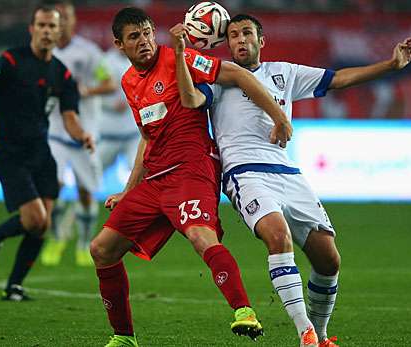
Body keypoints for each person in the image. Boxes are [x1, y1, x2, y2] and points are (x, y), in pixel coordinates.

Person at [174, 14, 411, 347]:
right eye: (233, 35)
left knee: (328, 259)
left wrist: (391, 65)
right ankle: (304, 331)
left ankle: (320, 337)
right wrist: (178, 52)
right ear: (226, 42)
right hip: (244, 173)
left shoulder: (285, 73)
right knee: (278, 235)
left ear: (261, 41)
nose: (240, 40)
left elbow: (339, 79)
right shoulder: (220, 78)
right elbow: (190, 99)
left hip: (288, 173)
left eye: (247, 33)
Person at [88, 7, 294, 347]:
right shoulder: (128, 81)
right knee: (102, 250)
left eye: (147, 33)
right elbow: (147, 136)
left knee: (201, 236)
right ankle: (124, 338)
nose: (145, 42)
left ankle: (243, 311)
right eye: (134, 37)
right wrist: (129, 190)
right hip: (156, 179)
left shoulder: (179, 58)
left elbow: (239, 76)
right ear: (119, 45)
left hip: (191, 169)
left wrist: (278, 117)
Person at [0, 4, 94, 301]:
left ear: (59, 31)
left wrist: (81, 135)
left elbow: (69, 116)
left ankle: (14, 286)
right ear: (32, 29)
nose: (47, 31)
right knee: (36, 219)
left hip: (41, 151)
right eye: (42, 26)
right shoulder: (10, 60)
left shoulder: (61, 74)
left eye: (52, 26)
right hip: (10, 152)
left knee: (42, 226)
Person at [41, 1, 115, 267]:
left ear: (73, 21)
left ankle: (83, 243)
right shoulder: (44, 53)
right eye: (58, 17)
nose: (63, 22)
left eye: (67, 17)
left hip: (85, 131)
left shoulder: (89, 53)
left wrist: (86, 91)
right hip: (54, 131)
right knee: (53, 186)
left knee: (85, 191)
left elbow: (108, 84)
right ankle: (57, 237)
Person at [97, 44, 139, 194]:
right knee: (92, 174)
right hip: (108, 134)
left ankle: (140, 211)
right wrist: (110, 105)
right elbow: (93, 93)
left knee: (140, 173)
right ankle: (80, 209)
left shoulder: (140, 62)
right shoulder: (103, 63)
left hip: (133, 133)